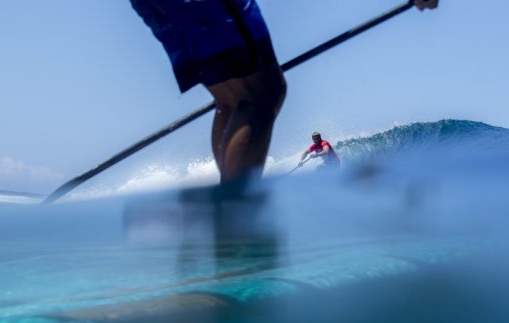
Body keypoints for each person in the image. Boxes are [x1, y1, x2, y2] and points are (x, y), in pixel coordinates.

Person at [130, 0, 437, 185]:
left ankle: (227, 219)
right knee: (263, 93)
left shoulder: (324, 145)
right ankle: (236, 224)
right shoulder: (324, 146)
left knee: (231, 100)